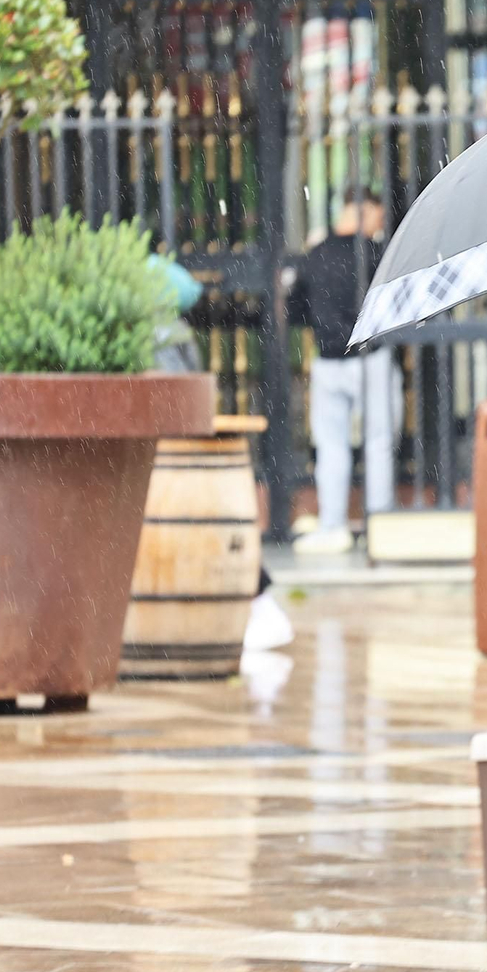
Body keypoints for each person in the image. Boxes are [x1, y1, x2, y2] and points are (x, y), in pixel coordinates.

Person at [147, 255, 294, 654]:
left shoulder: (150, 334)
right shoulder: (174, 331)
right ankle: (257, 600)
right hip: (187, 448)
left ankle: (257, 601)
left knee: (202, 529)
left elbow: (169, 394)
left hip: (170, 452)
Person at [284, 187, 403, 554]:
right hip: (371, 358)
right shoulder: (376, 254)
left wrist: (324, 326)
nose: (379, 227)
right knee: (379, 443)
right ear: (364, 211)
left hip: (328, 361)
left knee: (331, 447)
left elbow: (294, 311)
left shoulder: (314, 255)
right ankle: (378, 524)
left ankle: (332, 525)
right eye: (379, 218)